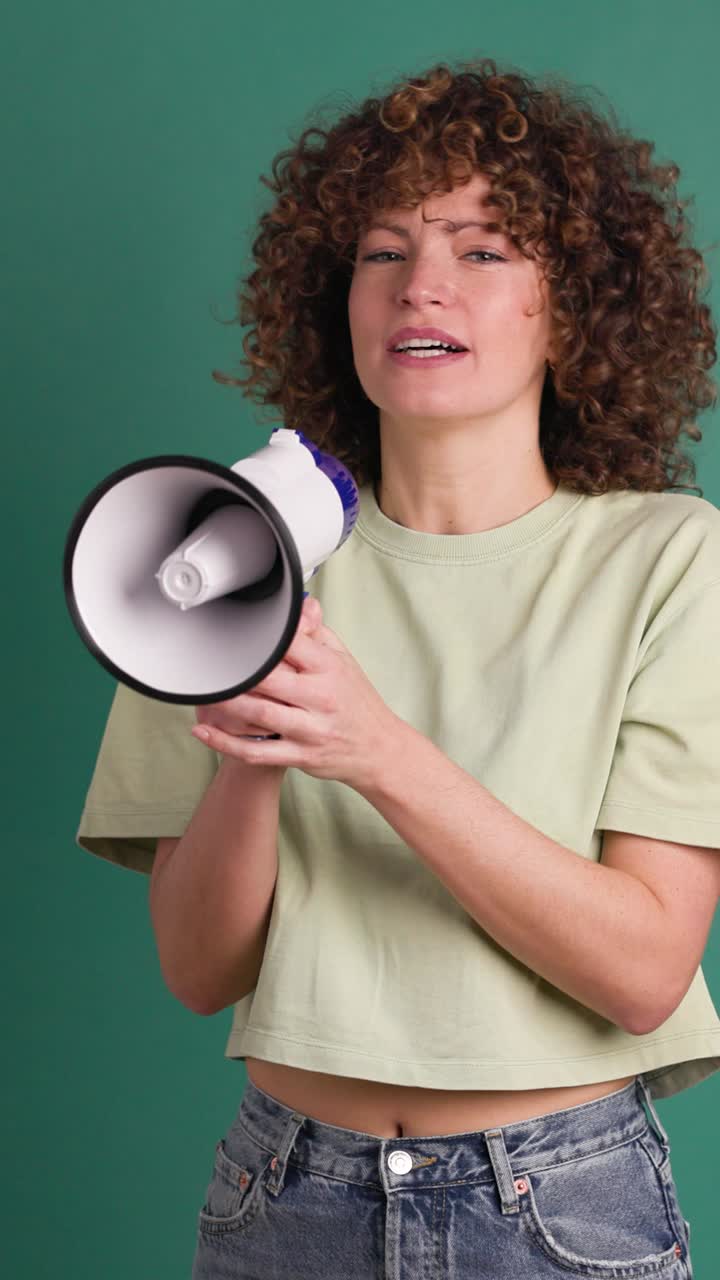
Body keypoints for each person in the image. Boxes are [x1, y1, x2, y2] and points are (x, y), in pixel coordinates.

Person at [75, 56, 720, 1277]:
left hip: (557, 1204)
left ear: (572, 309)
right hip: (283, 1193)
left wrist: (375, 750)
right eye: (383, 250)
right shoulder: (223, 547)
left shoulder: (671, 559)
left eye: (484, 250)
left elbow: (644, 972)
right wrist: (256, 752)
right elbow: (200, 969)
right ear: (339, 301)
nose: (422, 283)